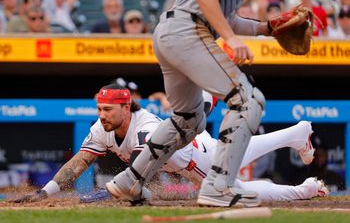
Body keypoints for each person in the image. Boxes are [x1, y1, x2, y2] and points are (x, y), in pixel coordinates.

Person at [9, 84, 328, 204]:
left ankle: (304, 190)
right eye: (100, 109)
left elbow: (135, 174)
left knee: (238, 192)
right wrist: (44, 193)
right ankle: (297, 133)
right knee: (235, 151)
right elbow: (78, 163)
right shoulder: (102, 127)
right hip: (194, 147)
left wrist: (90, 200)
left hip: (196, 161)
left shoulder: (144, 124)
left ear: (126, 107)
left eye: (108, 109)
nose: (102, 115)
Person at [106, 0, 272, 208]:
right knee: (248, 101)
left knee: (187, 120)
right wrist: (230, 39)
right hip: (188, 31)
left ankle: (131, 179)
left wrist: (267, 28)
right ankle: (219, 186)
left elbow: (225, 18)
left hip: (173, 32)